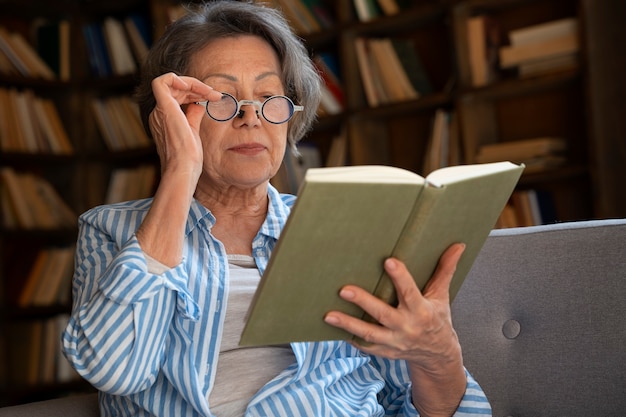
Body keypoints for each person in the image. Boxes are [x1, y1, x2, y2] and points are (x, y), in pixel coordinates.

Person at [62, 1, 491, 416]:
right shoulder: (112, 230)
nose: (251, 117)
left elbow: (420, 405)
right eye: (222, 99)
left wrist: (438, 355)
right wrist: (179, 171)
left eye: (269, 96)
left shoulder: (347, 230)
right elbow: (116, 371)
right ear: (170, 116)